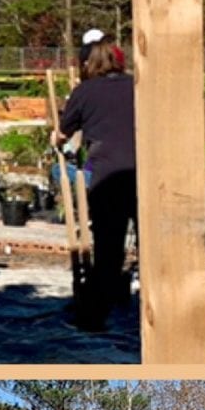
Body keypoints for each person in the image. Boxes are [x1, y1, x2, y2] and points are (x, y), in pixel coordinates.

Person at [56, 29, 138, 313]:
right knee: (148, 238)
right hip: (144, 171)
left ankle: (103, 298)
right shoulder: (137, 85)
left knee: (108, 239)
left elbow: (64, 132)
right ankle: (154, 296)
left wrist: (56, 139)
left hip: (108, 174)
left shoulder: (84, 92)